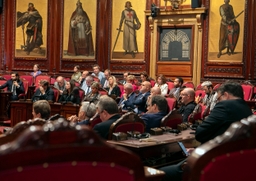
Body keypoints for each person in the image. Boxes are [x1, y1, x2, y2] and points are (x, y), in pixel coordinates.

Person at [160, 82, 253, 181]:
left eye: (218, 98)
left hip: (213, 160)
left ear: (225, 95)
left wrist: (201, 151)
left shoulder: (225, 105)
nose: (218, 101)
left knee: (162, 172)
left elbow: (200, 133)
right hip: (233, 160)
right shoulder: (247, 108)